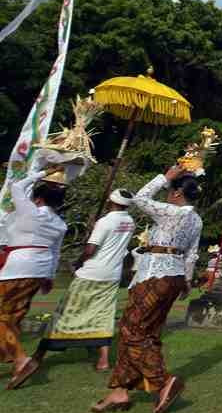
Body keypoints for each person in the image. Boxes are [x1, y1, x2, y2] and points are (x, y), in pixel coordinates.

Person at [91, 164, 202, 413]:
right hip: (173, 276)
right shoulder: (196, 219)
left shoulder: (171, 212)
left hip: (155, 274)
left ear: (175, 193)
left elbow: (138, 198)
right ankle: (119, 392)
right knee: (147, 332)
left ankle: (163, 382)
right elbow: (193, 254)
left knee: (131, 330)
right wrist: (186, 280)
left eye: (169, 190)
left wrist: (165, 177)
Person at [30, 189, 136, 377]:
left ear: (111, 201)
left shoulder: (105, 222)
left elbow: (90, 249)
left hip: (91, 272)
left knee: (66, 311)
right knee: (103, 314)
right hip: (112, 275)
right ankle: (103, 360)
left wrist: (78, 262)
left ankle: (38, 355)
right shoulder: (130, 222)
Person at [1, 164, 67, 389]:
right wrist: (49, 277)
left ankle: (21, 360)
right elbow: (56, 252)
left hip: (17, 268)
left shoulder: (30, 211)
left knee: (2, 319)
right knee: (13, 317)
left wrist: (42, 172)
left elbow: (17, 186)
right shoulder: (60, 224)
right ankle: (12, 360)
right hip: (39, 270)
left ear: (38, 199)